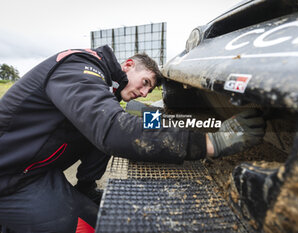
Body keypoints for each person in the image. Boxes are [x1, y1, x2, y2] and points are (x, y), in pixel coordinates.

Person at [0, 45, 265, 233]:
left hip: (37, 173)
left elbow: (137, 124)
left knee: (97, 216)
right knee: (87, 228)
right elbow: (113, 131)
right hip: (10, 178)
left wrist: (204, 124)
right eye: (145, 82)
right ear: (127, 65)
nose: (144, 92)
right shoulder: (78, 66)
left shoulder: (109, 93)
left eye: (150, 88)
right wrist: (209, 144)